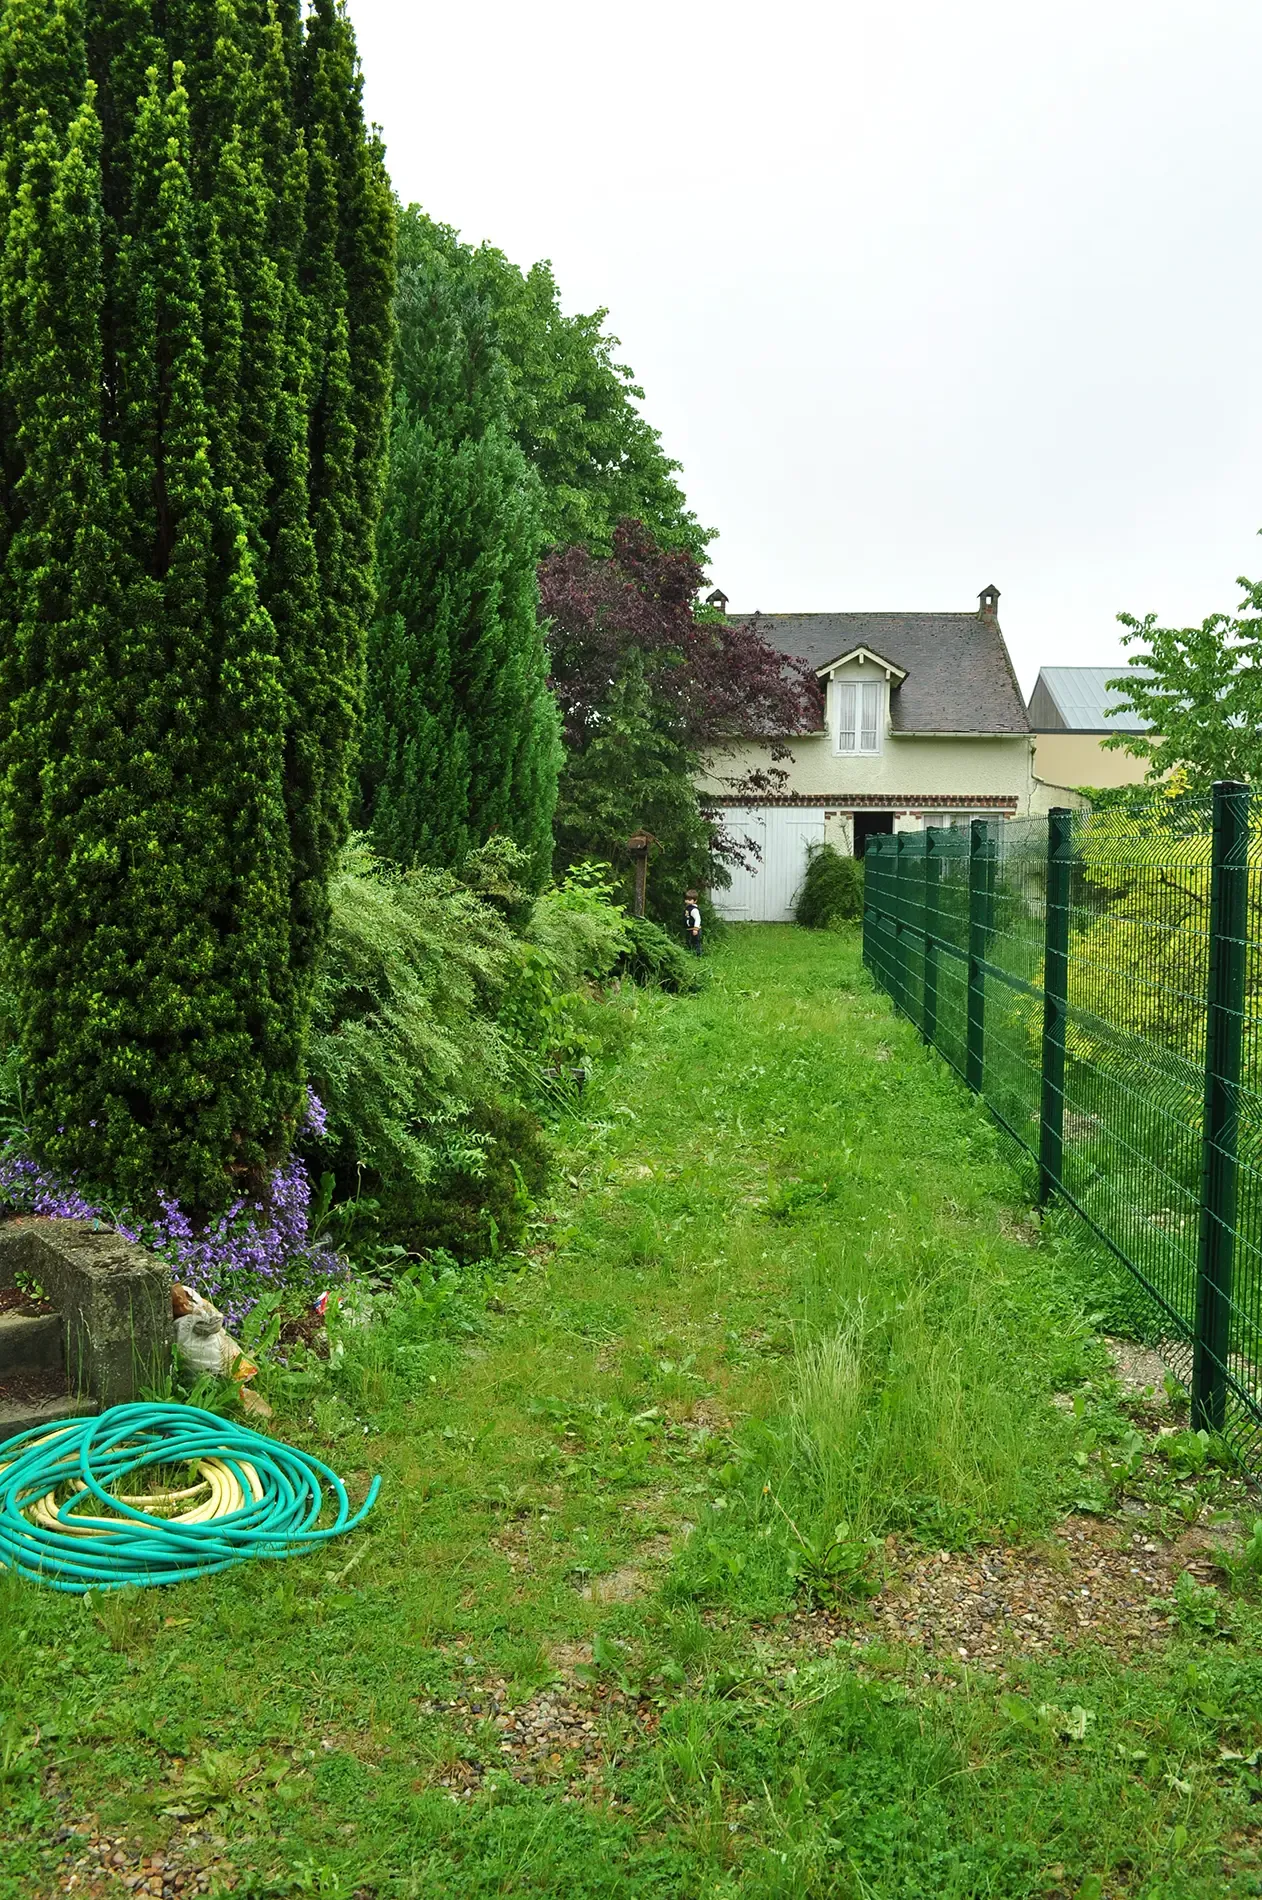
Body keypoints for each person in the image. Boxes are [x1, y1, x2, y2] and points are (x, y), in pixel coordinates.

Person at [683, 889, 702, 955]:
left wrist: (696, 929)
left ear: (695, 901)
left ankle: (698, 954)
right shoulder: (687, 908)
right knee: (689, 942)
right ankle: (690, 953)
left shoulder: (694, 910)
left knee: (696, 942)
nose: (687, 901)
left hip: (694, 929)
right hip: (689, 929)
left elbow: (698, 919)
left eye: (690, 900)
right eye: (686, 899)